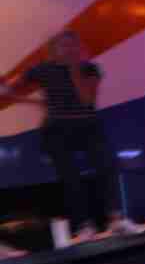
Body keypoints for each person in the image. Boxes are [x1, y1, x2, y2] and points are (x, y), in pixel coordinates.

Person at [2, 29, 137, 244]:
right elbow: (7, 90)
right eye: (63, 46)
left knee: (107, 167)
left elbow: (87, 99)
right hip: (57, 129)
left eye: (73, 45)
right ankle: (84, 226)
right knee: (70, 177)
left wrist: (74, 69)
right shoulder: (42, 70)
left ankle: (116, 220)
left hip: (88, 125)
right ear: (53, 50)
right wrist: (31, 101)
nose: (69, 49)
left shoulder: (90, 68)